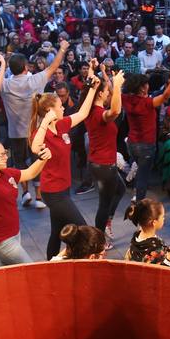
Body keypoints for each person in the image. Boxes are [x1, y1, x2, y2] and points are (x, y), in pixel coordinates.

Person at [0, 41, 69, 207]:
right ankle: (38, 197)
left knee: (20, 162)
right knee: (37, 161)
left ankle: (25, 193)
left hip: (15, 133)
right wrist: (63, 48)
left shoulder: (5, 84)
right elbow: (54, 66)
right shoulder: (35, 80)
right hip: (35, 132)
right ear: (26, 68)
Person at [30, 81, 100, 260]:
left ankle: (50, 265)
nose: (63, 108)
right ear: (50, 112)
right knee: (83, 230)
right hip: (53, 193)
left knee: (56, 232)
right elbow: (35, 148)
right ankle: (80, 261)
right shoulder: (41, 133)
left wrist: (92, 89)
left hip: (64, 189)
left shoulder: (61, 125)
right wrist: (45, 121)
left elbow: (83, 113)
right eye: (60, 106)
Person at [0, 138, 51, 266]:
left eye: (5, 152)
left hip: (13, 232)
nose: (6, 157)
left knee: (9, 270)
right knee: (29, 268)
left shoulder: (6, 173)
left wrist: (42, 159)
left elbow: (29, 173)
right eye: (1, 155)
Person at [84, 66, 126, 243]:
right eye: (106, 91)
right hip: (103, 167)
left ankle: (106, 223)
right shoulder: (98, 113)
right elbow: (115, 111)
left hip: (102, 163)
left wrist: (94, 71)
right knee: (104, 204)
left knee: (121, 189)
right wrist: (116, 86)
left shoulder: (89, 109)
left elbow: (91, 85)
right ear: (100, 94)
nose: (109, 93)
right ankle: (98, 241)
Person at [122, 70, 170, 201]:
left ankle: (132, 174)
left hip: (132, 144)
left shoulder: (126, 99)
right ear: (143, 88)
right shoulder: (147, 103)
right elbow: (166, 96)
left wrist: (107, 77)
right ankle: (139, 203)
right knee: (143, 178)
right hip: (146, 146)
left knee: (139, 170)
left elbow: (111, 90)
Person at [124, 198, 170, 265]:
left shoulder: (136, 238)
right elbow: (158, 273)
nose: (164, 219)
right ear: (154, 222)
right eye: (162, 216)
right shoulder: (156, 248)